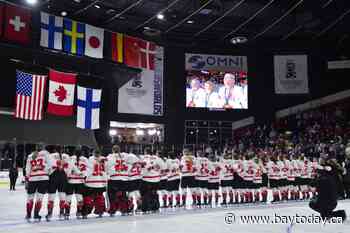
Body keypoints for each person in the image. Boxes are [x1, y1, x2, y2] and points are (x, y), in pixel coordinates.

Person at [309, 155, 347, 222]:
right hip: (332, 199)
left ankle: (338, 214)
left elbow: (313, 184)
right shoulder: (330, 176)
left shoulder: (325, 177)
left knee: (314, 204)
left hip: (328, 201)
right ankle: (335, 214)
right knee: (323, 209)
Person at [25, 147, 50, 221]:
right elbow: (50, 165)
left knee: (30, 197)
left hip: (33, 178)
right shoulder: (45, 154)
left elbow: (27, 168)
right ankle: (36, 215)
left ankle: (29, 214)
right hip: (43, 178)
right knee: (40, 198)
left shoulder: (30, 156)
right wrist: (46, 172)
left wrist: (27, 178)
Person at [46, 146, 70, 221]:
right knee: (62, 196)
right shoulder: (66, 156)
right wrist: (67, 174)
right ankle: (62, 212)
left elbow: (48, 166)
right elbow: (69, 167)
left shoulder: (50, 155)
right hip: (63, 176)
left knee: (51, 196)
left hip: (54, 176)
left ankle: (50, 213)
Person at [83, 149, 107, 218]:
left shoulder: (90, 159)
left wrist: (85, 178)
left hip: (91, 182)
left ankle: (86, 213)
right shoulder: (104, 160)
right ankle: (100, 211)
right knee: (99, 197)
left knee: (88, 198)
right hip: (101, 182)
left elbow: (88, 170)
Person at [64, 148, 87, 219]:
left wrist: (67, 176)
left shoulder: (70, 158)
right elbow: (88, 169)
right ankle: (79, 212)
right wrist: (83, 176)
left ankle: (67, 213)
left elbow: (68, 169)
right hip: (80, 181)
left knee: (68, 198)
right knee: (79, 198)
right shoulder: (85, 159)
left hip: (71, 180)